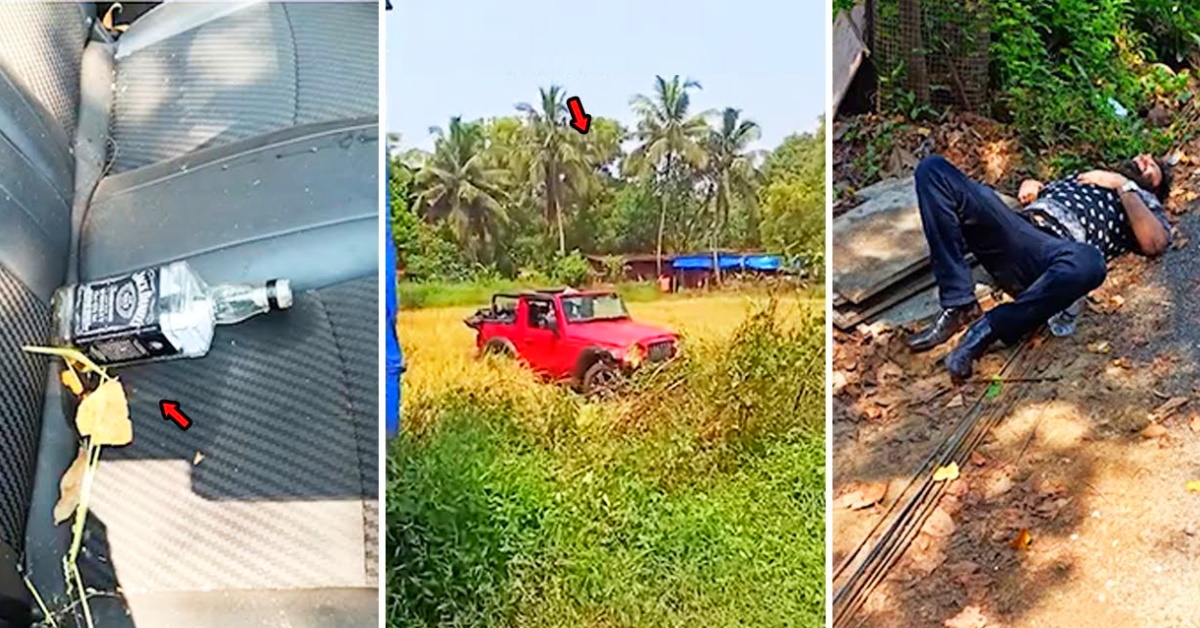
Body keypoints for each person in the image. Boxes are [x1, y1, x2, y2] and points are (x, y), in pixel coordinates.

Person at [907, 154, 1173, 382]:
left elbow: (1155, 243)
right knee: (933, 169)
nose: (1145, 159)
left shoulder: (1142, 201)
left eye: (1152, 167)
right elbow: (1043, 196)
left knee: (1090, 262)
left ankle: (990, 327)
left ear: (1155, 188)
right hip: (1017, 229)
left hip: (1052, 257)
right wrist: (1034, 187)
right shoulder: (1090, 175)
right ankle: (959, 304)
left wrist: (1122, 185)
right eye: (1146, 156)